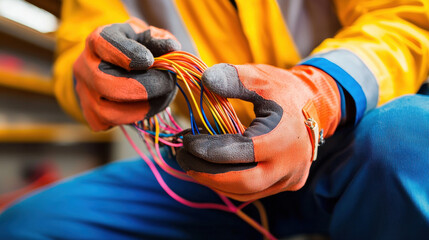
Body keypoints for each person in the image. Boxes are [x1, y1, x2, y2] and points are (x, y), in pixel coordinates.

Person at [1, 0, 428, 239]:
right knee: (27, 228)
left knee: (406, 140)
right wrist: (93, 74)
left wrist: (321, 93)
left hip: (352, 140)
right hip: (207, 160)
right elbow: (81, 41)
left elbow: (409, 17)